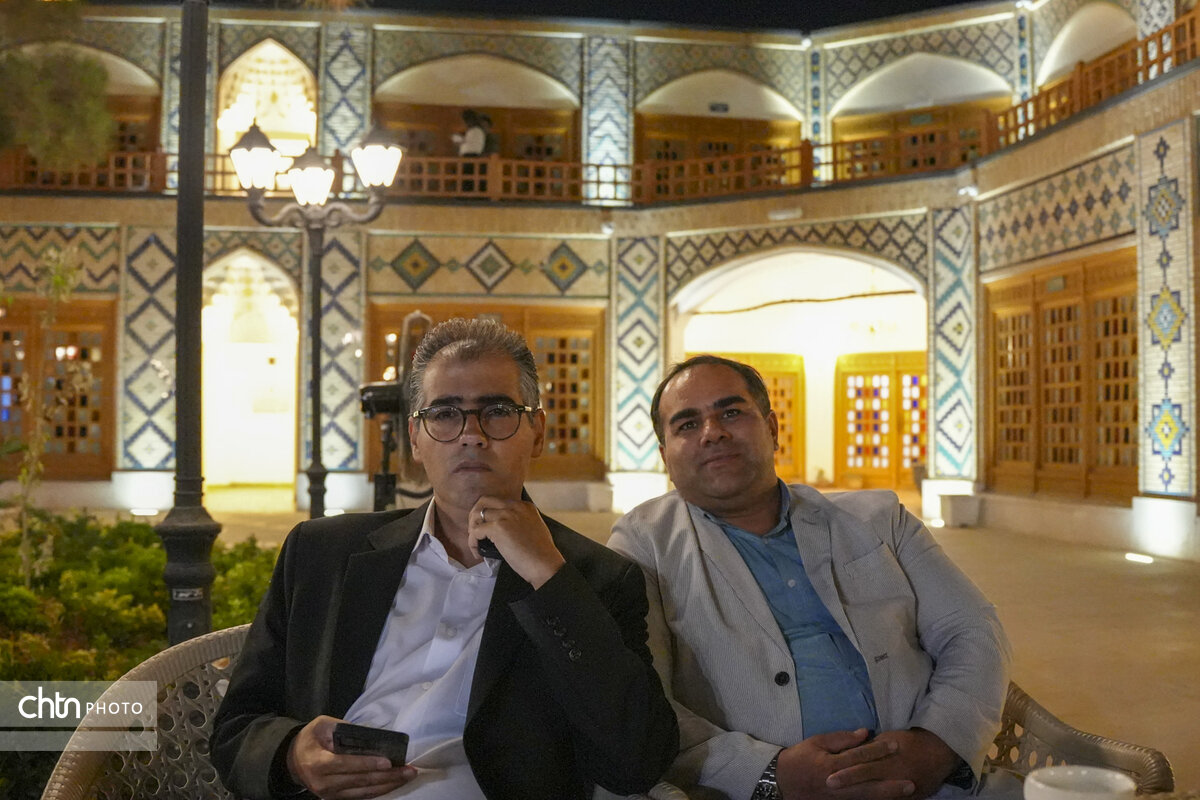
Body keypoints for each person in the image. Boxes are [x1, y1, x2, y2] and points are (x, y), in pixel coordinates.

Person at [212, 318, 678, 800]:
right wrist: (293, 754)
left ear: (537, 432)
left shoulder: (595, 579)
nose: (471, 435)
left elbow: (636, 761)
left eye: (498, 411)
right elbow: (236, 727)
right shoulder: (322, 554)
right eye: (445, 414)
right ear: (415, 437)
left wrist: (547, 577)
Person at [608, 355, 1011, 800]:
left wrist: (937, 745)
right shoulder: (644, 545)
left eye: (731, 412)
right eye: (687, 424)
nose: (712, 432)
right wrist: (769, 775)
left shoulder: (880, 519)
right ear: (665, 456)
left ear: (772, 428)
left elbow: (972, 629)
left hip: (927, 783)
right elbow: (640, 699)